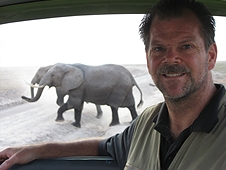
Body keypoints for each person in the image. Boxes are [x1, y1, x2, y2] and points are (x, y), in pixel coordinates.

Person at [0, 0, 226, 169]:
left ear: (211, 56)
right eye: (158, 48)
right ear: (148, 59)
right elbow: (102, 147)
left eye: (186, 46)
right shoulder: (147, 123)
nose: (171, 58)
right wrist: (38, 149)